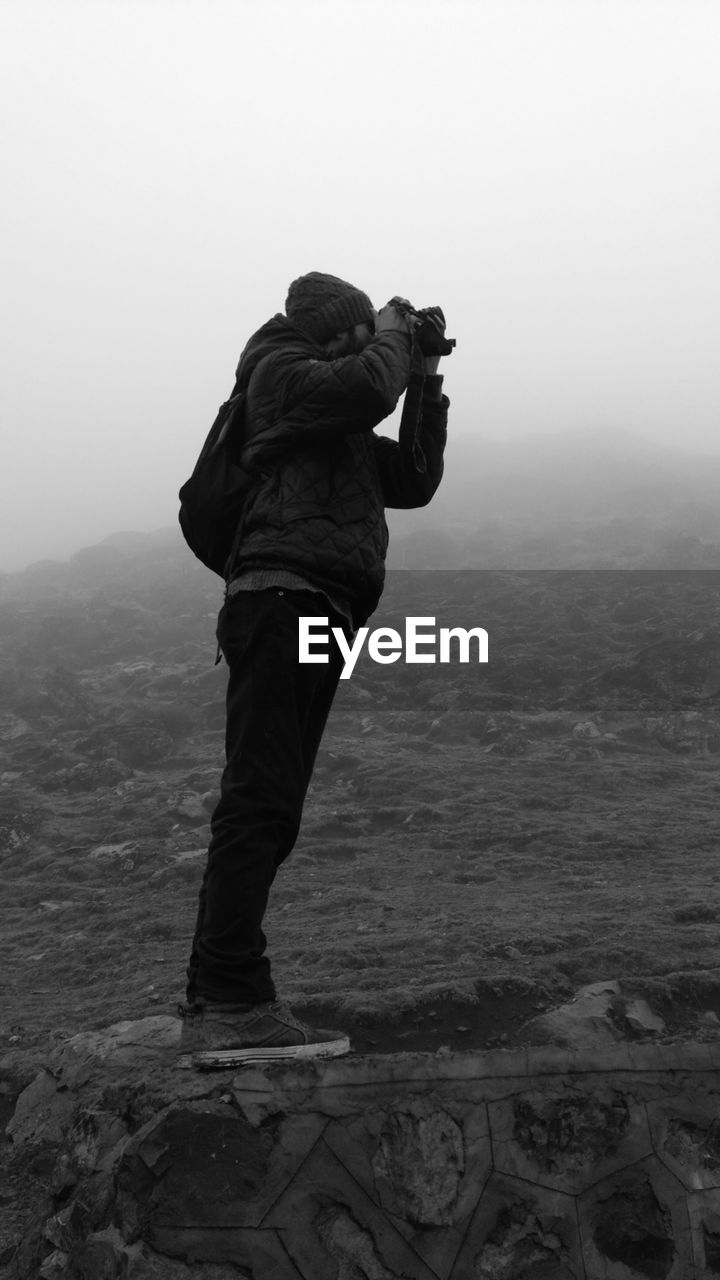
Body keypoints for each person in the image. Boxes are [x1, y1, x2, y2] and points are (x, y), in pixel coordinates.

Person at [179, 271, 449, 1065]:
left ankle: (220, 993)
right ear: (334, 333)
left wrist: (427, 377)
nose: (379, 348)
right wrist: (397, 325)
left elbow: (416, 480)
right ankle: (229, 999)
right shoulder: (281, 376)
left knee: (275, 806)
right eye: (365, 332)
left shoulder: (330, 416)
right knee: (259, 797)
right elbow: (366, 386)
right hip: (280, 599)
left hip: (320, 608)